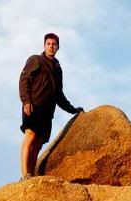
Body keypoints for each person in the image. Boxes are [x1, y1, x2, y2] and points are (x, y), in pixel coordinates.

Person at [18, 33, 83, 180]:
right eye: (48, 44)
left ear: (58, 47)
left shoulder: (57, 69)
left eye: (54, 44)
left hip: (48, 112)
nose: (51, 46)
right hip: (34, 106)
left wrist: (72, 109)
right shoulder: (36, 60)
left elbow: (58, 95)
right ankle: (24, 175)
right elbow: (24, 80)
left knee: (38, 144)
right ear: (44, 46)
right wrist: (26, 101)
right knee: (30, 136)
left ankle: (31, 174)